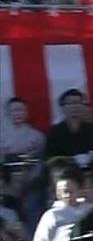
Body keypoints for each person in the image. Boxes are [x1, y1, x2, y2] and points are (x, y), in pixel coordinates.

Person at [43, 89, 93, 184]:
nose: (75, 107)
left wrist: (90, 171)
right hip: (64, 178)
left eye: (78, 103)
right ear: (63, 108)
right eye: (71, 103)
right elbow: (50, 159)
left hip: (90, 178)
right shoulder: (55, 132)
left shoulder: (92, 131)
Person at [1, 96, 45, 234]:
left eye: (20, 110)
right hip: (5, 188)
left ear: (26, 112)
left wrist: (29, 182)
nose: (17, 113)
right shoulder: (2, 137)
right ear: (8, 113)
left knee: (32, 211)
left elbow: (40, 164)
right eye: (14, 110)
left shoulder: (37, 137)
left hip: (30, 185)